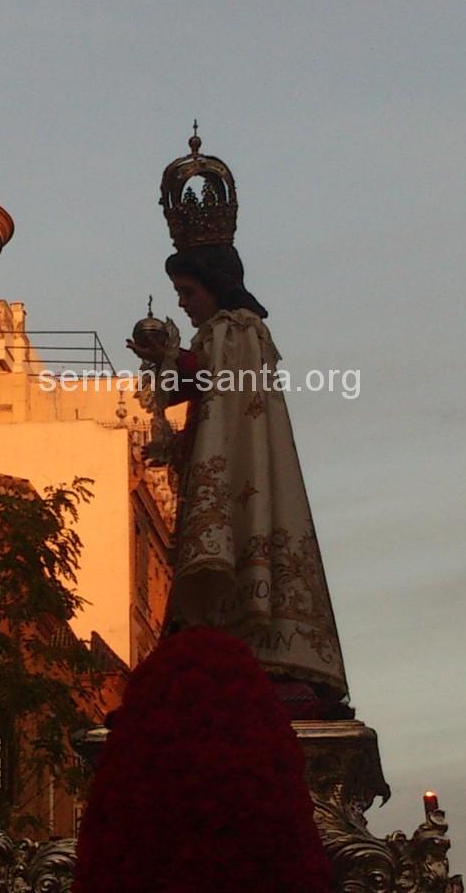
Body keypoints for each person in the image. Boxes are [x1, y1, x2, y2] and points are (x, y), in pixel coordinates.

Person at [127, 242, 348, 709]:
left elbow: (220, 381)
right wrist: (164, 360)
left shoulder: (238, 329)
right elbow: (199, 388)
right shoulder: (223, 333)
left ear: (214, 287)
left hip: (242, 474)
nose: (182, 303)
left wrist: (173, 358)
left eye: (187, 292)